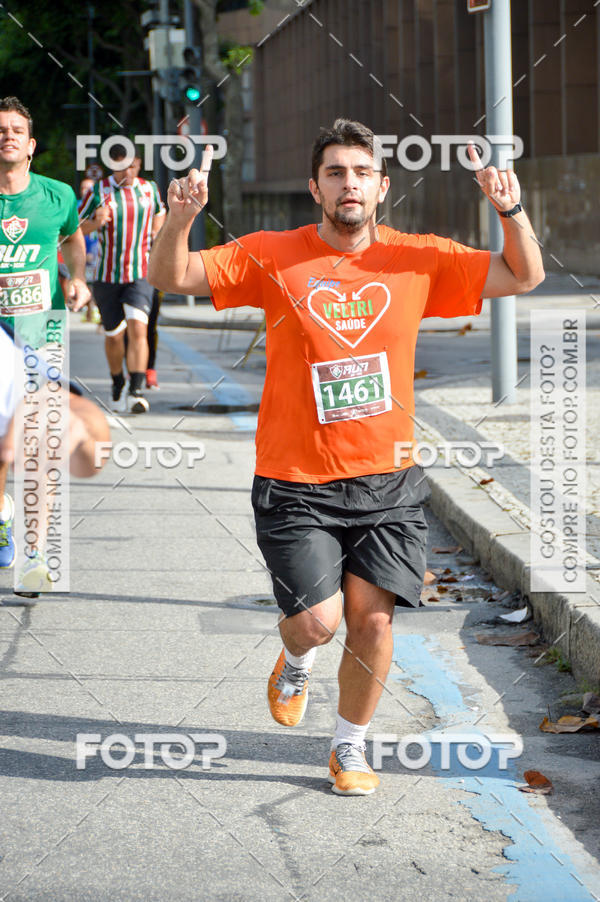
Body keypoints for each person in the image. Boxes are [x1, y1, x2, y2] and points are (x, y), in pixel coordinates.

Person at [148, 119, 544, 795]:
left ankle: (349, 747)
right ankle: (295, 658)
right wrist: (179, 218)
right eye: (335, 172)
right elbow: (174, 274)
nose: (349, 184)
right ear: (315, 188)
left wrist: (509, 207)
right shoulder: (275, 252)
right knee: (317, 621)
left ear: (383, 186)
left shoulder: (418, 258)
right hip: (295, 479)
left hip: (387, 479)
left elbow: (522, 274)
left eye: (361, 172)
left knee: (374, 620)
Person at [0, 95, 90, 572]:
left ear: (30, 145)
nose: (8, 134)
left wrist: (76, 279)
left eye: (16, 129)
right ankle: (2, 514)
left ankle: (35, 551)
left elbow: (74, 237)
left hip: (42, 329)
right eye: (1, 129)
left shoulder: (57, 195)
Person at [79, 146, 165, 413]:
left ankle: (136, 390)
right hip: (106, 276)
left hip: (140, 273)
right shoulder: (98, 191)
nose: (127, 171)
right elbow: (76, 229)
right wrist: (95, 222)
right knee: (115, 336)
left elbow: (160, 211)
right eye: (120, 166)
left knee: (139, 329)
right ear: (112, 166)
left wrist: (155, 233)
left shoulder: (149, 189)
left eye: (131, 165)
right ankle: (117, 381)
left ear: (138, 164)